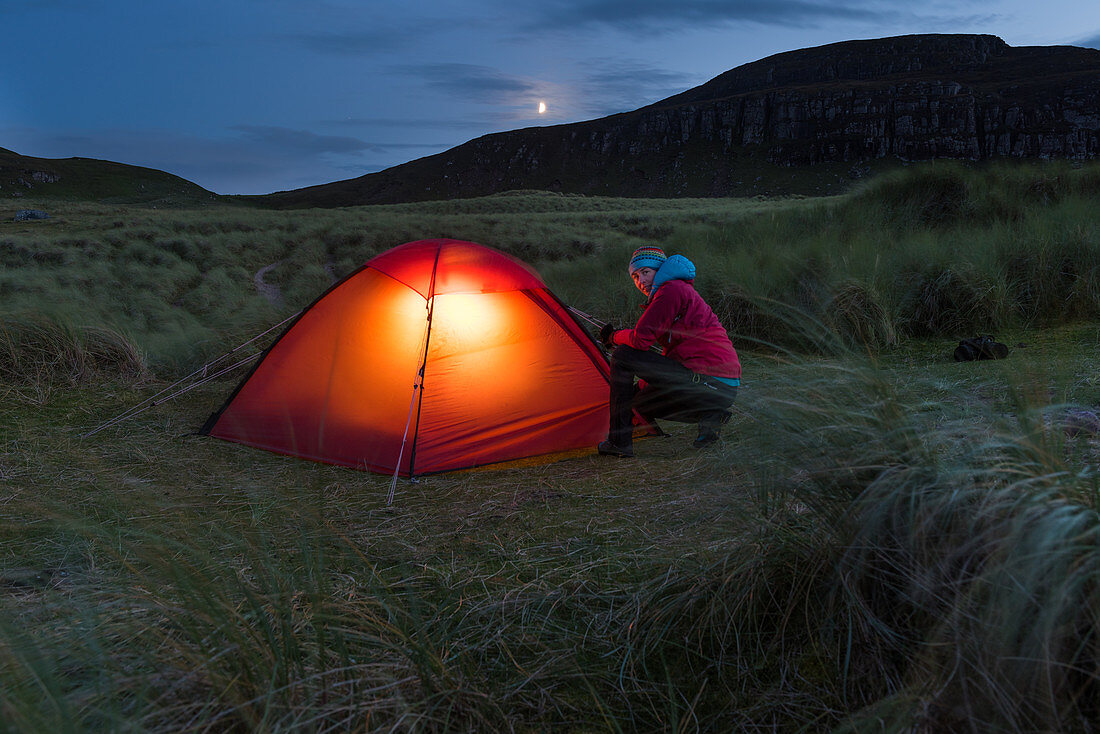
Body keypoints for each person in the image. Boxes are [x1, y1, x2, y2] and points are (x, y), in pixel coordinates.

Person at [596, 246, 740, 457]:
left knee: (623, 355)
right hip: (718, 388)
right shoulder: (675, 290)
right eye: (635, 276)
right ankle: (711, 415)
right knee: (638, 401)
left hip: (712, 379)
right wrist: (643, 386)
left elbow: (640, 340)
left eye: (645, 272)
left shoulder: (671, 290)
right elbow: (672, 357)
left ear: (659, 269)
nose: (640, 281)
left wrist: (613, 337)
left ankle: (619, 442)